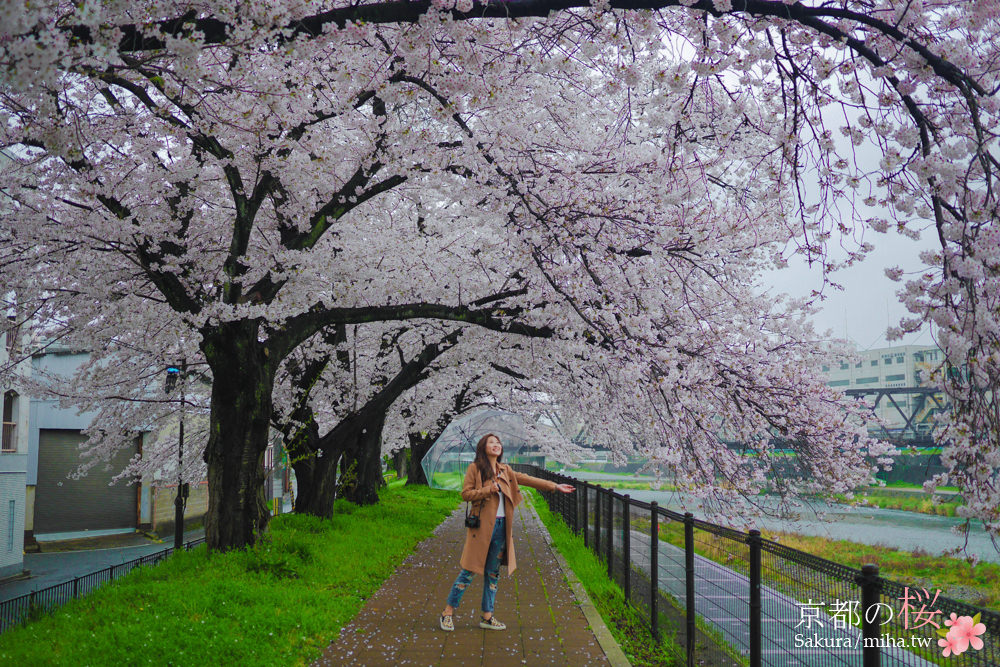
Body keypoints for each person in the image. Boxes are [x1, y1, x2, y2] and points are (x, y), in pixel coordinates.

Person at [439, 433, 575, 631]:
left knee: (493, 573)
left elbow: (527, 479)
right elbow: (465, 494)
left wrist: (554, 486)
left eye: (498, 442)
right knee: (469, 570)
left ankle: (487, 616)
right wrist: (488, 490)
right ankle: (447, 613)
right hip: (482, 529)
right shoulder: (475, 469)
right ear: (483, 448)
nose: (496, 445)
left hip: (502, 528)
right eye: (491, 442)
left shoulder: (505, 470)